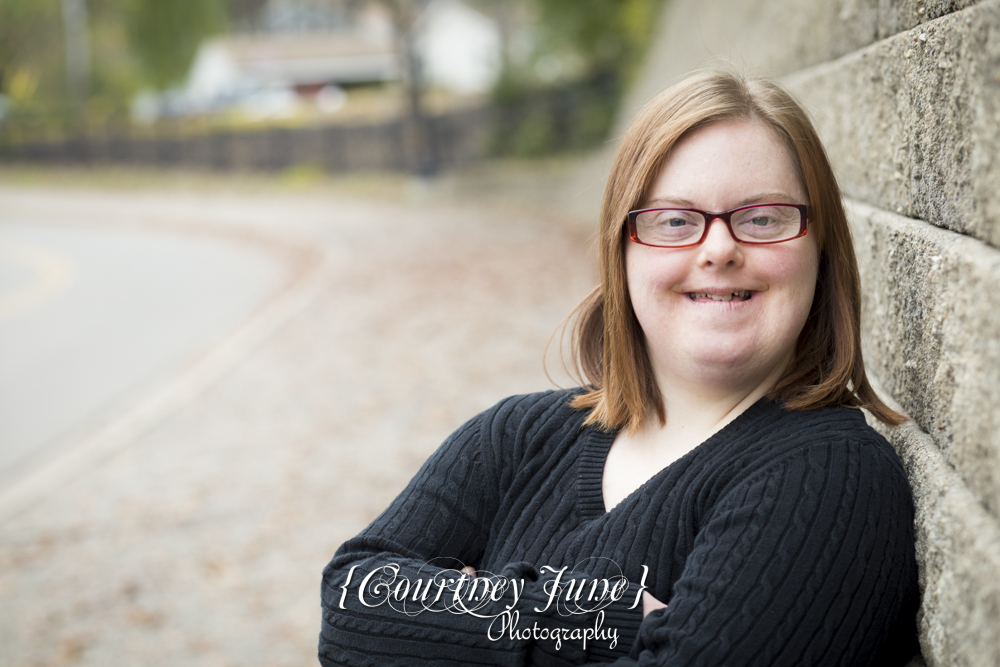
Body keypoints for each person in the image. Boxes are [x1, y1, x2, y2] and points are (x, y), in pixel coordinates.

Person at [319, 68, 920, 666]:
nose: (718, 249)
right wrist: (609, 620)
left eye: (762, 217)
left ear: (821, 246)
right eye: (675, 222)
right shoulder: (516, 437)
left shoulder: (829, 479)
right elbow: (351, 606)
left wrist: (453, 625)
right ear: (622, 250)